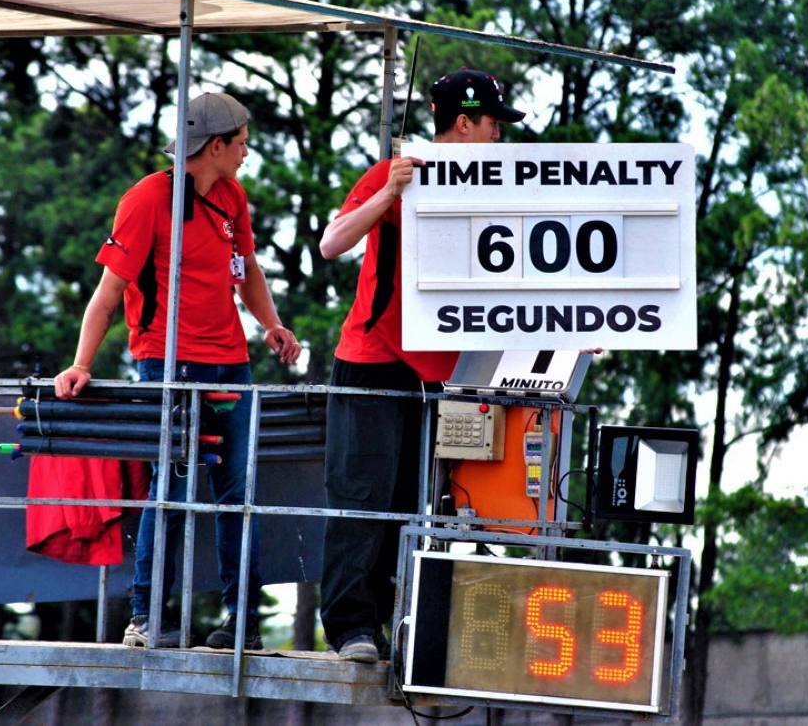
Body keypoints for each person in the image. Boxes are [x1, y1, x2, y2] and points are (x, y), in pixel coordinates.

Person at [54, 91, 301, 650]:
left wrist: (273, 323)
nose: (245, 154)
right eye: (240, 144)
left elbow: (249, 272)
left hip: (231, 365)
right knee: (169, 489)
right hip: (169, 365)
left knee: (237, 493)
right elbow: (108, 292)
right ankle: (146, 618)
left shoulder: (233, 197)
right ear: (215, 146)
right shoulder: (147, 199)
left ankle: (241, 623)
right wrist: (81, 363)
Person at [318, 69, 525, 663]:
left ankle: (402, 626)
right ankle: (352, 628)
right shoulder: (397, 173)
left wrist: (571, 326)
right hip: (375, 362)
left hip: (445, 376)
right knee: (364, 498)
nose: (497, 139)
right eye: (492, 125)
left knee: (423, 503)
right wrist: (389, 194)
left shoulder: (499, 187)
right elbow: (331, 243)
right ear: (464, 122)